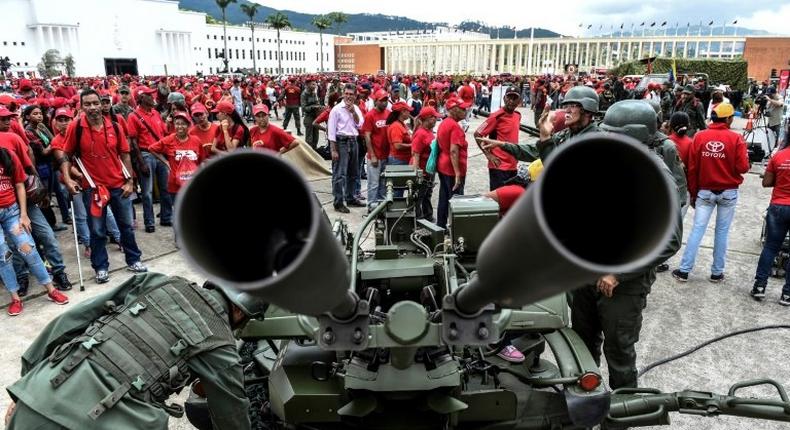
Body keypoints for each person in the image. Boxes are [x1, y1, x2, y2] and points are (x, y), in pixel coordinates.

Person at [5, 273, 260, 430]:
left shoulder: (156, 282)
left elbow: (70, 321)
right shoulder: (221, 346)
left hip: (37, 400)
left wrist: (25, 387)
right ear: (239, 312)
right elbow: (232, 417)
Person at [574, 100, 683, 389]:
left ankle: (622, 414)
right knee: (581, 347)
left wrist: (619, 273)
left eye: (612, 132)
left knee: (619, 352)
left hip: (622, 284)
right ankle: (586, 407)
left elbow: (669, 239)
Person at [54, 89, 147, 284]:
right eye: (87, 104)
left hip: (119, 186)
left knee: (126, 227)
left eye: (96, 103)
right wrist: (68, 179)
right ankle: (101, 267)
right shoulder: (76, 127)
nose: (93, 108)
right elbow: (66, 155)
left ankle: (134, 259)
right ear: (82, 106)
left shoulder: (114, 125)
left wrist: (130, 181)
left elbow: (125, 154)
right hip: (93, 188)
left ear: (102, 104)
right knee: (96, 230)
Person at [672, 103, 749, 283]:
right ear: (729, 119)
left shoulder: (700, 137)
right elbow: (743, 167)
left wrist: (693, 192)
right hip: (728, 192)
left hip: (704, 192)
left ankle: (684, 270)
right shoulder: (736, 139)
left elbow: (692, 168)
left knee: (697, 230)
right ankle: (716, 273)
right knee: (722, 232)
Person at [483, 86, 600, 175]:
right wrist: (502, 145)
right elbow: (534, 151)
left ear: (588, 110)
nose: (567, 111)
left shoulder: (596, 140)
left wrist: (545, 137)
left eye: (573, 106)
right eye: (566, 106)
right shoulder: (567, 134)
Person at [751, 141, 790, 306]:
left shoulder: (779, 156)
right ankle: (787, 295)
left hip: (778, 207)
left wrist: (781, 179)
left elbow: (766, 182)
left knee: (771, 247)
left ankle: (760, 287)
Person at [127, 86, 170, 233]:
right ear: (141, 98)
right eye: (149, 95)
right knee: (147, 192)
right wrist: (141, 162)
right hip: (145, 154)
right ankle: (149, 222)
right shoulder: (133, 116)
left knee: (166, 188)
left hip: (160, 154)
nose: (153, 97)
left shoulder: (156, 114)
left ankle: (166, 216)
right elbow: (133, 142)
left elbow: (164, 134)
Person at [148, 112, 204, 203]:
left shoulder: (196, 140)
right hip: (175, 186)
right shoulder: (169, 139)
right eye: (177, 124)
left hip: (193, 184)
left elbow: (201, 161)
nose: (180, 127)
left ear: (188, 125)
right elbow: (151, 148)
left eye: (183, 124)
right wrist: (165, 162)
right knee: (179, 212)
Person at [474, 86, 521, 191]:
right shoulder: (496, 116)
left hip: (513, 166)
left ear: (519, 101)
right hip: (499, 167)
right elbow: (477, 134)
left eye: (514, 98)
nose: (511, 101)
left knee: (510, 199)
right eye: (509, 97)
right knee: (498, 201)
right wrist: (488, 155)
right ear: (504, 98)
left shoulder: (518, 115)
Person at [327, 84, 364, 213]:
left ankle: (351, 197)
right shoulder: (336, 109)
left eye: (351, 94)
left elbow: (360, 124)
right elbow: (331, 131)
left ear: (355, 95)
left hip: (353, 141)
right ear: (343, 94)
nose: (348, 96)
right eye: (346, 94)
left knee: (354, 172)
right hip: (341, 141)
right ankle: (338, 202)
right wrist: (333, 149)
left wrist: (353, 112)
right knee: (340, 174)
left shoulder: (356, 109)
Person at [436, 96, 471, 228]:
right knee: (456, 202)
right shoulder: (454, 126)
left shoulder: (444, 123)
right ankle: (457, 230)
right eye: (462, 108)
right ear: (454, 110)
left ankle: (441, 225)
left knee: (444, 198)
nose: (465, 110)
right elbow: (454, 151)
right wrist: (457, 173)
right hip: (452, 169)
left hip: (444, 166)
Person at [361, 90, 391, 211]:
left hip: (386, 155)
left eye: (386, 100)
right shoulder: (370, 115)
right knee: (374, 183)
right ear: (376, 101)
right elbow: (367, 136)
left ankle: (381, 205)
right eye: (382, 100)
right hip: (375, 156)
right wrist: (372, 155)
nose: (384, 103)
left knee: (384, 183)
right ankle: (372, 206)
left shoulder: (389, 114)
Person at [410, 106, 441, 222]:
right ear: (428, 119)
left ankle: (427, 216)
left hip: (428, 171)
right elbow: (415, 154)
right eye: (434, 117)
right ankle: (418, 219)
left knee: (427, 194)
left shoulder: (428, 132)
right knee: (419, 196)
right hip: (422, 171)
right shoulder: (420, 133)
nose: (436, 120)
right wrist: (417, 173)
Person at [386, 101, 413, 166]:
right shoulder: (396, 126)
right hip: (398, 160)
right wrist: (412, 145)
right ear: (402, 112)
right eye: (408, 111)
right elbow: (397, 146)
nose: (409, 113)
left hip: (403, 159)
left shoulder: (402, 124)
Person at [301, 78, 322, 150]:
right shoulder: (304, 94)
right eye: (313, 84)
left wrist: (319, 107)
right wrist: (313, 107)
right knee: (309, 137)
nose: (315, 86)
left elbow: (317, 102)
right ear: (307, 85)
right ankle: (309, 151)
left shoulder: (314, 93)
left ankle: (315, 149)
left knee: (316, 135)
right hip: (309, 117)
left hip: (315, 116)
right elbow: (304, 108)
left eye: (315, 84)